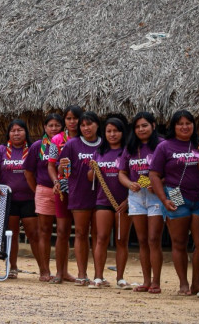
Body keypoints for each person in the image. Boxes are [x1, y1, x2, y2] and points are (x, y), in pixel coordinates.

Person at [150, 110, 199, 296]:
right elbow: (154, 175)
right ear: (173, 126)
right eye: (180, 123)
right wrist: (164, 199)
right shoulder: (165, 147)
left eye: (188, 122)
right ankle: (183, 284)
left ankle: (197, 284)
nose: (185, 126)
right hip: (176, 196)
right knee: (179, 242)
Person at [119, 112, 164, 294]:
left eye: (144, 125)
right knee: (142, 240)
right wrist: (130, 183)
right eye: (137, 127)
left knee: (154, 239)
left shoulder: (162, 145)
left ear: (153, 125)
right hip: (136, 196)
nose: (141, 129)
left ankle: (156, 281)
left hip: (156, 196)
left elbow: (171, 172)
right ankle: (145, 281)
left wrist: (154, 184)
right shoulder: (130, 147)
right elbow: (122, 172)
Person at [55, 111, 101, 286]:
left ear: (97, 125)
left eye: (89, 124)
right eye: (83, 125)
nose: (86, 128)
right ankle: (82, 274)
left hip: (101, 195)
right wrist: (62, 168)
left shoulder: (104, 144)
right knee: (81, 233)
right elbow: (62, 170)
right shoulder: (72, 144)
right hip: (79, 194)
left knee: (99, 235)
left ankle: (98, 275)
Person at [0, 119, 38, 279]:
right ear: (8, 133)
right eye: (13, 130)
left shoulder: (33, 149)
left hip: (30, 199)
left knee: (33, 234)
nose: (16, 133)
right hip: (8, 199)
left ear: (26, 132)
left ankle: (43, 269)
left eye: (20, 130)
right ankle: (12, 267)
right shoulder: (1, 150)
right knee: (12, 234)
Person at [88, 117, 133, 289]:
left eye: (116, 131)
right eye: (109, 131)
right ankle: (98, 277)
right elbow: (90, 178)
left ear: (123, 132)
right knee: (101, 238)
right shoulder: (99, 152)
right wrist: (93, 169)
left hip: (126, 202)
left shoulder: (129, 151)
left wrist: (129, 200)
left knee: (122, 240)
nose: (112, 134)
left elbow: (140, 176)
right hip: (103, 201)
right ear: (104, 133)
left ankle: (120, 278)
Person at [45, 104, 83, 284]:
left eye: (75, 118)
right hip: (63, 188)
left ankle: (84, 274)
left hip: (84, 189)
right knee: (62, 231)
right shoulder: (57, 140)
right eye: (68, 118)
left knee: (83, 232)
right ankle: (61, 272)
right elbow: (51, 165)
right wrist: (56, 181)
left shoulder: (88, 138)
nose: (72, 122)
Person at [24, 113, 63, 282]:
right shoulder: (38, 147)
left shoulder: (68, 144)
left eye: (57, 125)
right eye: (50, 125)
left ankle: (62, 272)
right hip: (44, 191)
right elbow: (28, 172)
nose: (54, 129)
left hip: (64, 192)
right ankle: (44, 271)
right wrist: (37, 190)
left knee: (62, 232)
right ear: (45, 128)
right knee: (45, 232)